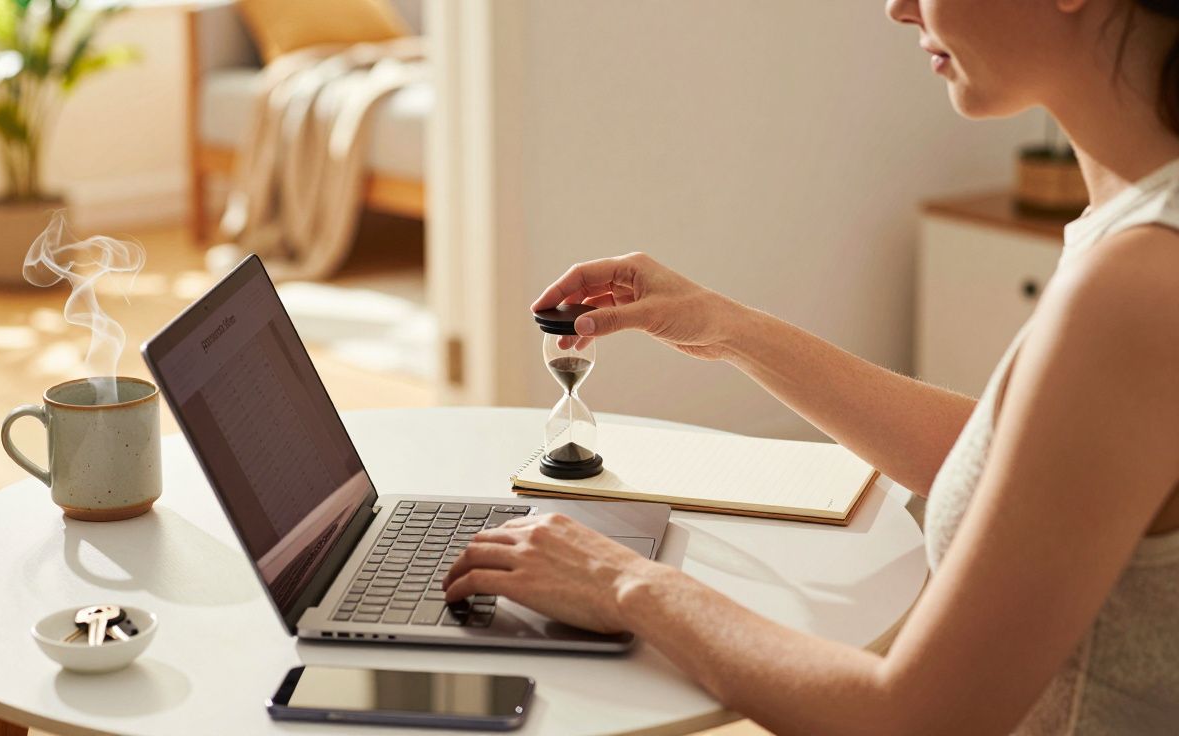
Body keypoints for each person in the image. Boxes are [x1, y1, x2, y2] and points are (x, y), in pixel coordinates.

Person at [441, 1, 1179, 733]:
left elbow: (913, 718)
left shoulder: (1138, 285)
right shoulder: (1143, 225)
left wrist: (624, 582)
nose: (898, 8)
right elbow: (1024, 470)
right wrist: (726, 328)